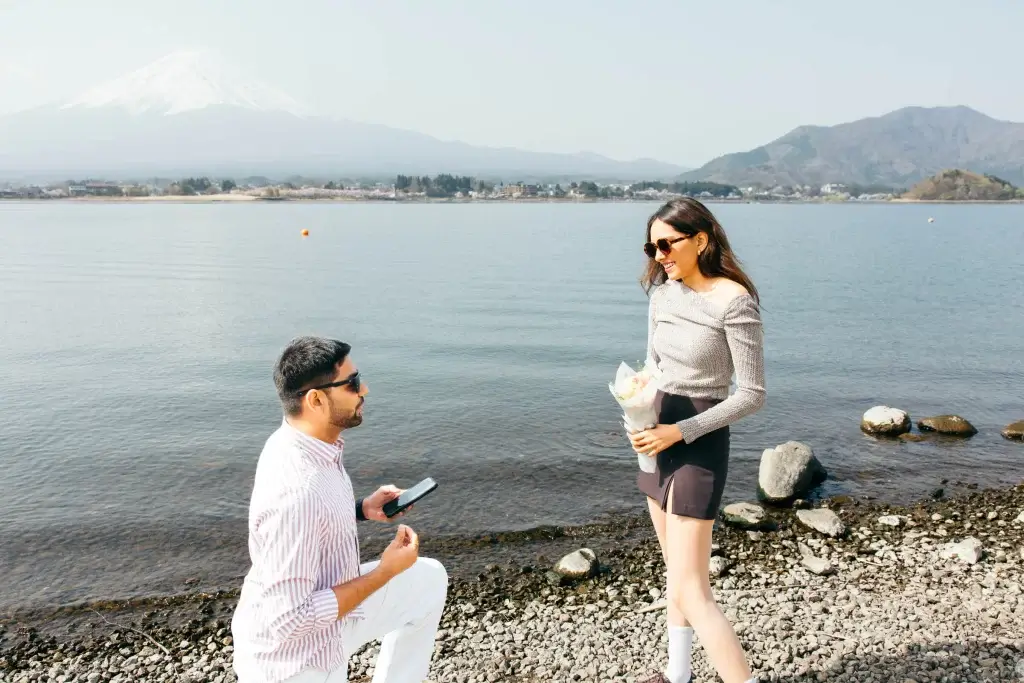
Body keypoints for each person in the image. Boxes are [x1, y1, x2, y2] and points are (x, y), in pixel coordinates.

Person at [231, 336, 448, 683]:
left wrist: (361, 509)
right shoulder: (296, 490)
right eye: (353, 383)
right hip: (295, 663)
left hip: (330, 614)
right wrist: (385, 572)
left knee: (428, 580)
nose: (365, 390)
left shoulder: (305, 444)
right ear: (316, 400)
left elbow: (312, 518)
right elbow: (290, 620)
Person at [628, 198, 765, 683]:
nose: (658, 255)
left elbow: (752, 394)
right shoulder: (662, 296)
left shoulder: (734, 302)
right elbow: (653, 365)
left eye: (667, 244)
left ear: (701, 240)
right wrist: (636, 404)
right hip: (653, 437)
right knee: (676, 573)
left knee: (693, 589)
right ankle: (677, 675)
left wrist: (680, 431)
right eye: (652, 247)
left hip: (698, 442)